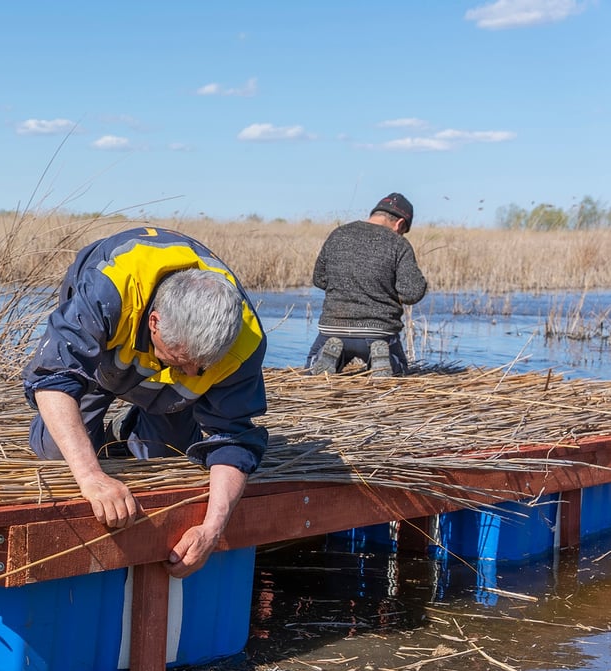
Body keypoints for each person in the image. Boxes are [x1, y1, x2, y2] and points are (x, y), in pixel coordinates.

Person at [23, 226, 268, 578]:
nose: (192, 374)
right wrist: (92, 478)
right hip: (104, 353)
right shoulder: (107, 289)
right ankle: (90, 427)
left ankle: (137, 428)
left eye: (203, 366)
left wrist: (213, 530)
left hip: (162, 367)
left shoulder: (243, 340)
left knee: (166, 457)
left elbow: (234, 439)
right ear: (154, 322)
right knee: (57, 454)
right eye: (179, 359)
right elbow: (52, 378)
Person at [306, 192, 428, 377]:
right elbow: (412, 292)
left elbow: (319, 279)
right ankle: (385, 361)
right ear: (400, 223)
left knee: (311, 369)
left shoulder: (338, 234)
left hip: (334, 328)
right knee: (400, 372)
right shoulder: (398, 243)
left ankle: (326, 358)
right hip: (378, 332)